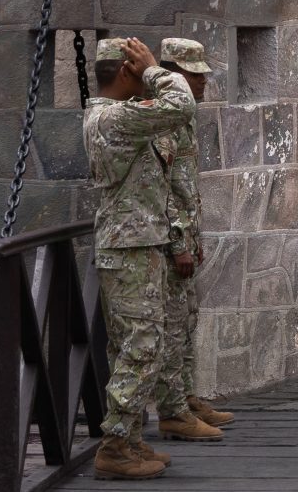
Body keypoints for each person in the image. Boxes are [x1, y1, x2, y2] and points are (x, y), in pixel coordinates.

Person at [83, 37, 197, 481]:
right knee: (141, 347)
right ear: (127, 72)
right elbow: (181, 105)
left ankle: (128, 439)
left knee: (131, 347)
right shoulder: (115, 117)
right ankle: (114, 447)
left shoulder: (111, 117)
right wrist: (155, 69)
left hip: (134, 245)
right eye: (140, 68)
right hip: (129, 249)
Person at [152, 38, 230, 445]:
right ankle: (173, 410)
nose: (202, 83)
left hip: (185, 233)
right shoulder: (164, 120)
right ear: (174, 74)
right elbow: (163, 189)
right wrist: (178, 241)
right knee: (172, 324)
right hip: (169, 243)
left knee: (187, 321)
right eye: (195, 75)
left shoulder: (181, 118)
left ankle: (185, 397)